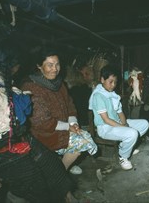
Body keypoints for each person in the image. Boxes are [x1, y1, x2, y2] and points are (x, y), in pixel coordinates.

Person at [0, 37, 77, 203]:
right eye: (17, 64)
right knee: (34, 181)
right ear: (10, 63)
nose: (19, 68)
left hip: (14, 137)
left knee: (52, 164)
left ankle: (67, 197)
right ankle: (15, 198)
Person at [21, 47, 97, 175]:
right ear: (39, 66)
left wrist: (73, 123)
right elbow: (42, 122)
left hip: (62, 128)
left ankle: (65, 162)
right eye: (49, 65)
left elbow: (69, 105)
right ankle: (58, 174)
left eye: (57, 64)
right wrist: (68, 127)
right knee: (82, 143)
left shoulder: (59, 84)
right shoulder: (31, 87)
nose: (55, 69)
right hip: (44, 134)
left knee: (82, 136)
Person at [89, 65, 149, 170]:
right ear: (102, 80)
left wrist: (125, 123)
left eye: (115, 82)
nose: (113, 85)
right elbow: (106, 119)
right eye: (110, 81)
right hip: (105, 128)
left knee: (144, 124)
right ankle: (123, 156)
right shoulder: (98, 96)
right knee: (132, 133)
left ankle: (126, 147)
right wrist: (123, 127)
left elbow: (120, 113)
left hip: (116, 123)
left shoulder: (112, 94)